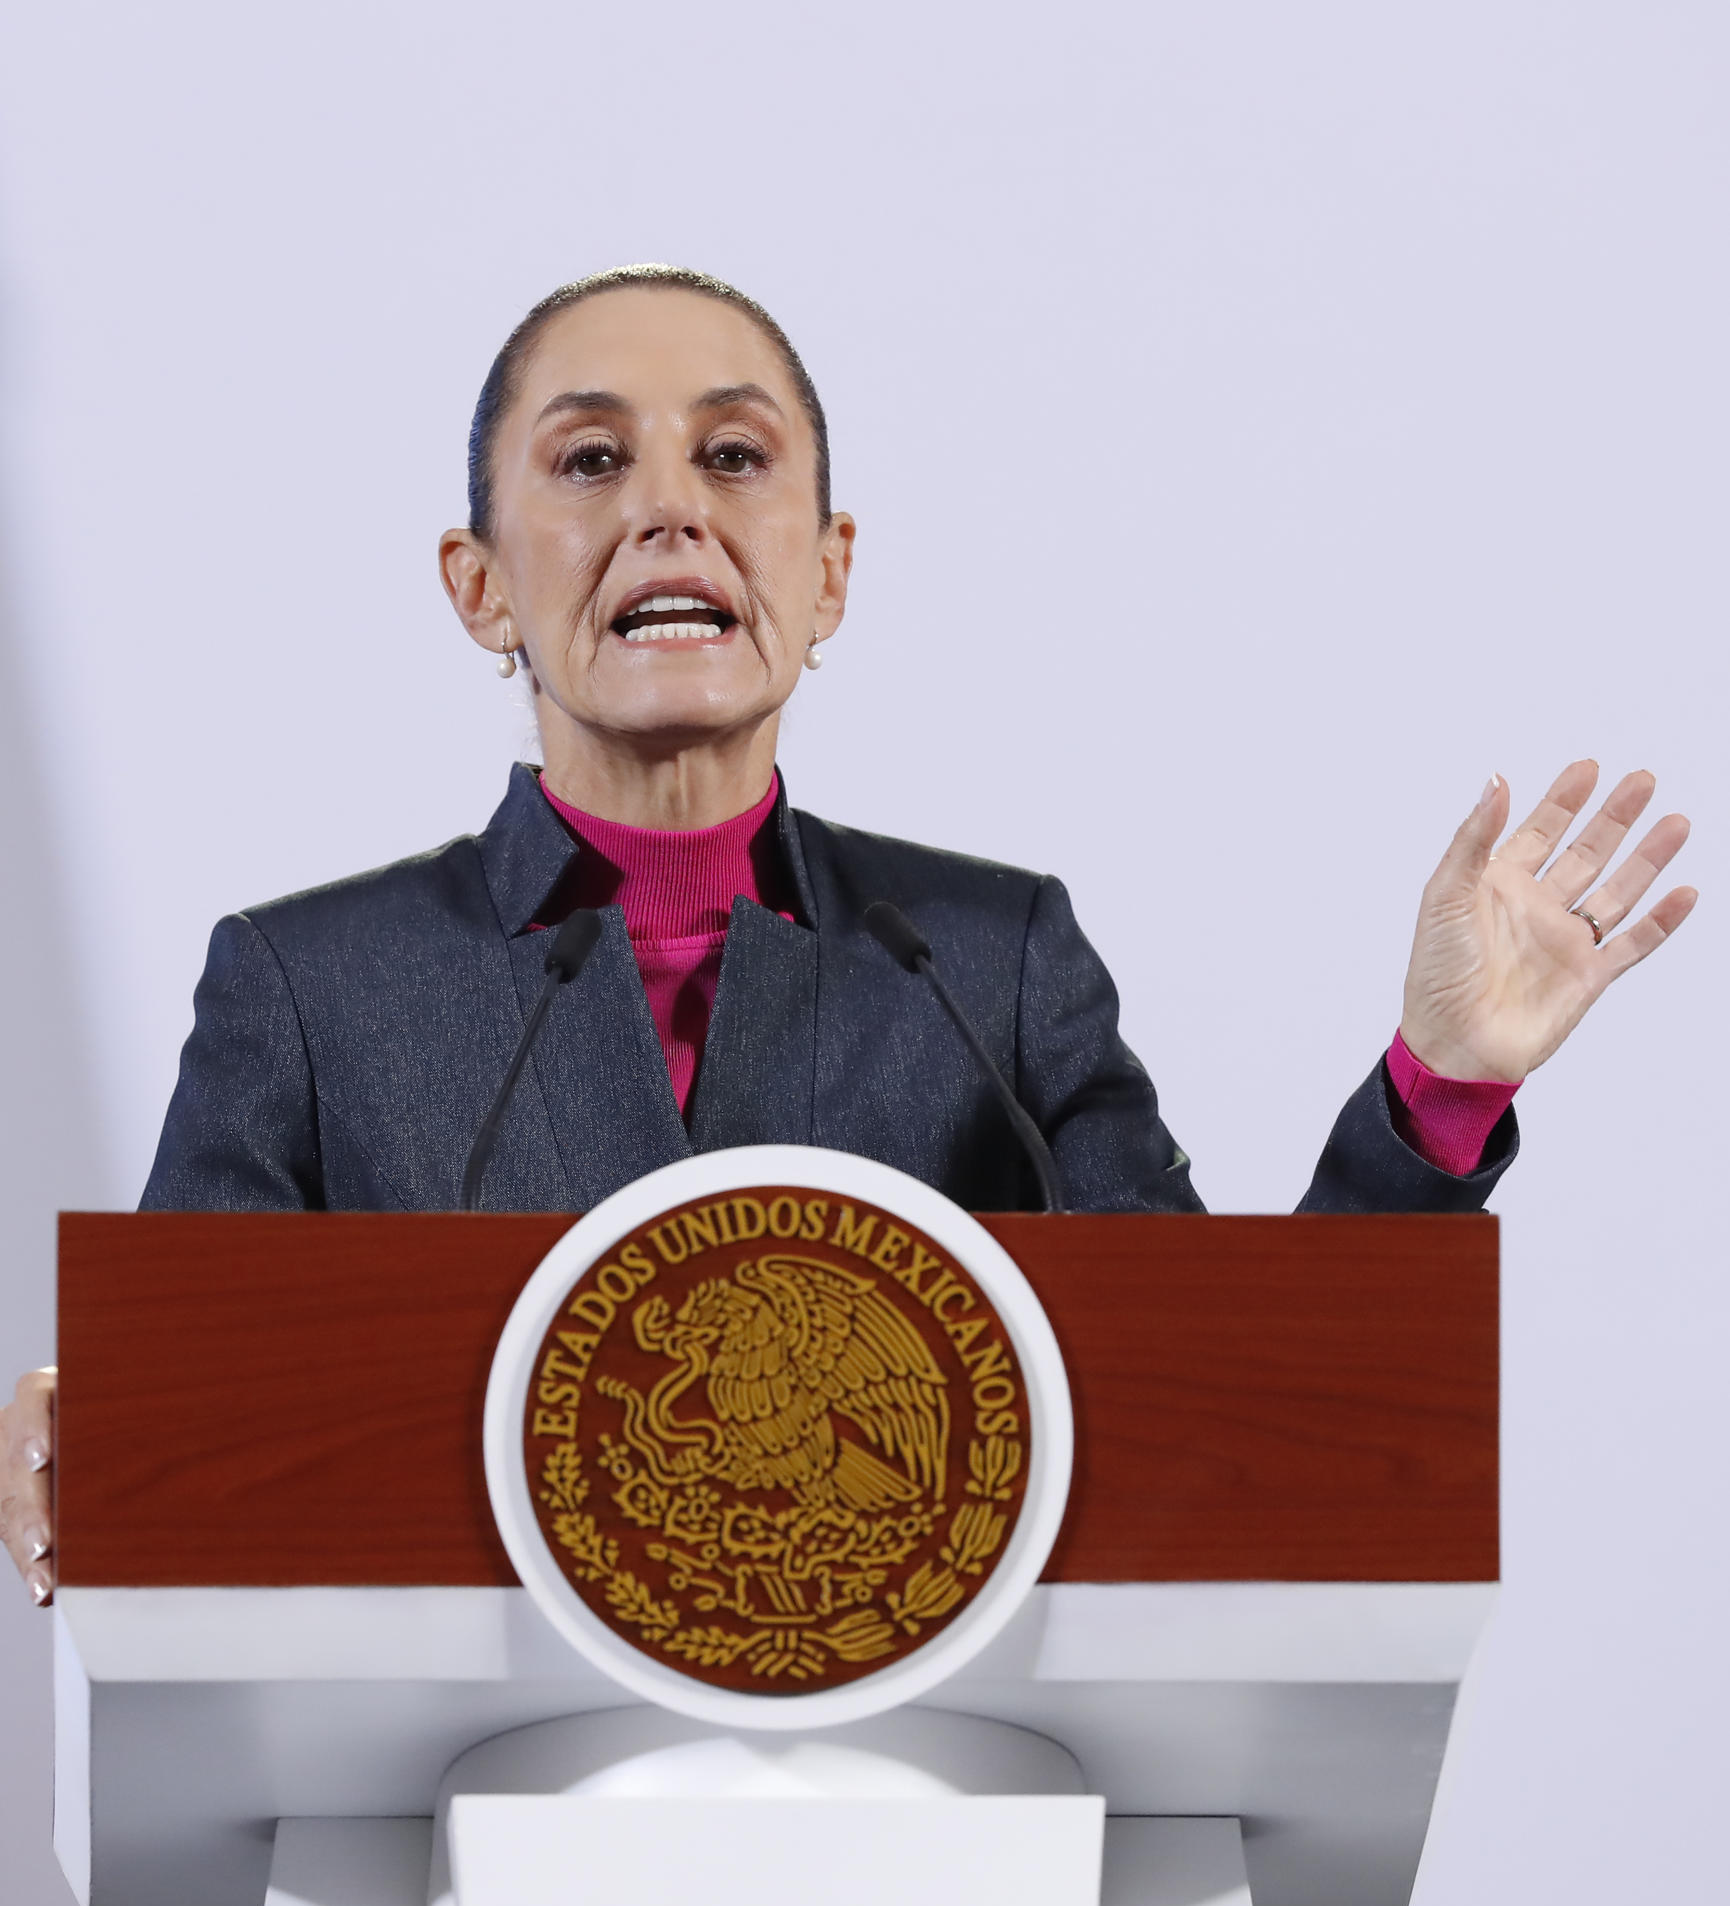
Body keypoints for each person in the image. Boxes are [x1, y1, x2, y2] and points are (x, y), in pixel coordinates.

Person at [0, 265, 1697, 1604]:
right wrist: (103, 1434)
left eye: (734, 459)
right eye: (592, 462)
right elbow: (183, 1434)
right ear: (478, 586)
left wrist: (1438, 1092)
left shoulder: (983, 962)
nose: (671, 510)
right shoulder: (312, 989)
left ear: (826, 573)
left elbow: (1234, 1411)